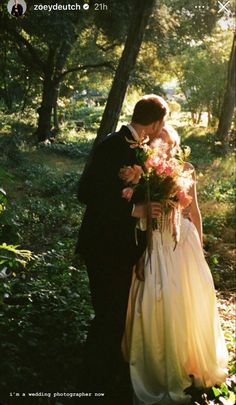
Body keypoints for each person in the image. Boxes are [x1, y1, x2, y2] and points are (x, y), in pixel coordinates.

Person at [122, 125, 228, 405]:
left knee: (188, 300)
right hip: (155, 239)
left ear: (176, 145)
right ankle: (157, 366)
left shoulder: (187, 168)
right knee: (158, 300)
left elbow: (193, 210)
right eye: (161, 142)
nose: (165, 148)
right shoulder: (144, 172)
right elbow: (136, 213)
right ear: (153, 145)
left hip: (182, 242)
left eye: (170, 143)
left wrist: (200, 245)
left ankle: (188, 361)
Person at [76, 95, 169, 404]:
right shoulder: (113, 145)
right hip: (102, 246)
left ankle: (107, 376)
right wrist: (135, 211)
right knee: (108, 315)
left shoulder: (139, 149)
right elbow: (86, 191)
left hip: (121, 249)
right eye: (162, 124)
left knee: (115, 315)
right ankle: (91, 383)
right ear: (156, 123)